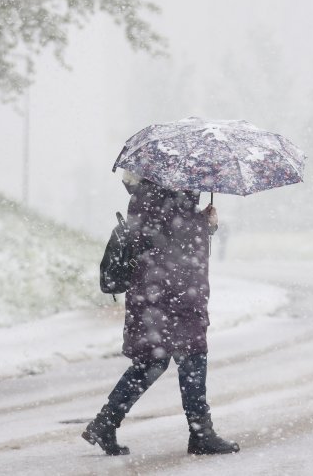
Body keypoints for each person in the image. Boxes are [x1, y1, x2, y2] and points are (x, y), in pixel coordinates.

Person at [82, 171, 239, 456]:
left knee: (150, 363)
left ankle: (105, 423)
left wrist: (201, 223)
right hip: (176, 295)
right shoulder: (173, 200)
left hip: (152, 295)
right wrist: (207, 224)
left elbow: (162, 242)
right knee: (192, 358)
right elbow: (180, 247)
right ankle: (201, 434)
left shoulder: (145, 199)